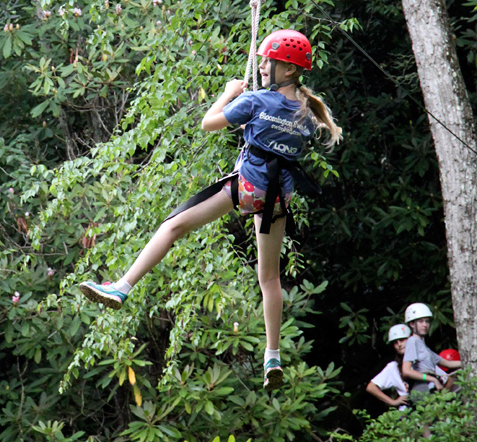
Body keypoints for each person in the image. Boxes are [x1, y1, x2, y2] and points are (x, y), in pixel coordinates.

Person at [79, 29, 342, 391]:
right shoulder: (309, 116)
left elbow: (208, 124)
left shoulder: (255, 101)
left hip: (248, 190)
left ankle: (122, 287)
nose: (262, 66)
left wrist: (228, 95)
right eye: (263, 60)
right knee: (269, 279)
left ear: (289, 70)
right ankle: (272, 357)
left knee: (172, 227)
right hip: (278, 201)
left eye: (269, 61)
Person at [402, 302, 461, 395]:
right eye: (421, 321)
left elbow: (448, 364)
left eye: (427, 321)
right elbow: (406, 371)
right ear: (412, 324)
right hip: (422, 388)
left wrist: (469, 362)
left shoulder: (424, 347)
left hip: (429, 386)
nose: (425, 325)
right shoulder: (412, 341)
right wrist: (432, 379)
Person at [366, 324, 411, 410]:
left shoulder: (423, 359)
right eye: (395, 342)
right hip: (407, 414)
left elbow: (444, 378)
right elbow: (371, 387)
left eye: (402, 340)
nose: (399, 344)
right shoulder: (393, 367)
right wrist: (392, 402)